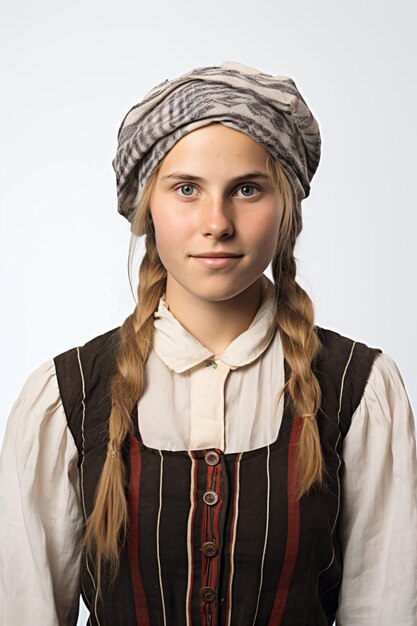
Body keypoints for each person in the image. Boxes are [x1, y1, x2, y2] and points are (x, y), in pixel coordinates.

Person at [0, 61, 416, 626]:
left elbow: (387, 607)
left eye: (247, 189)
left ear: (286, 208)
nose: (216, 222)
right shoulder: (67, 396)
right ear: (147, 207)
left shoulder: (359, 389)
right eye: (187, 189)